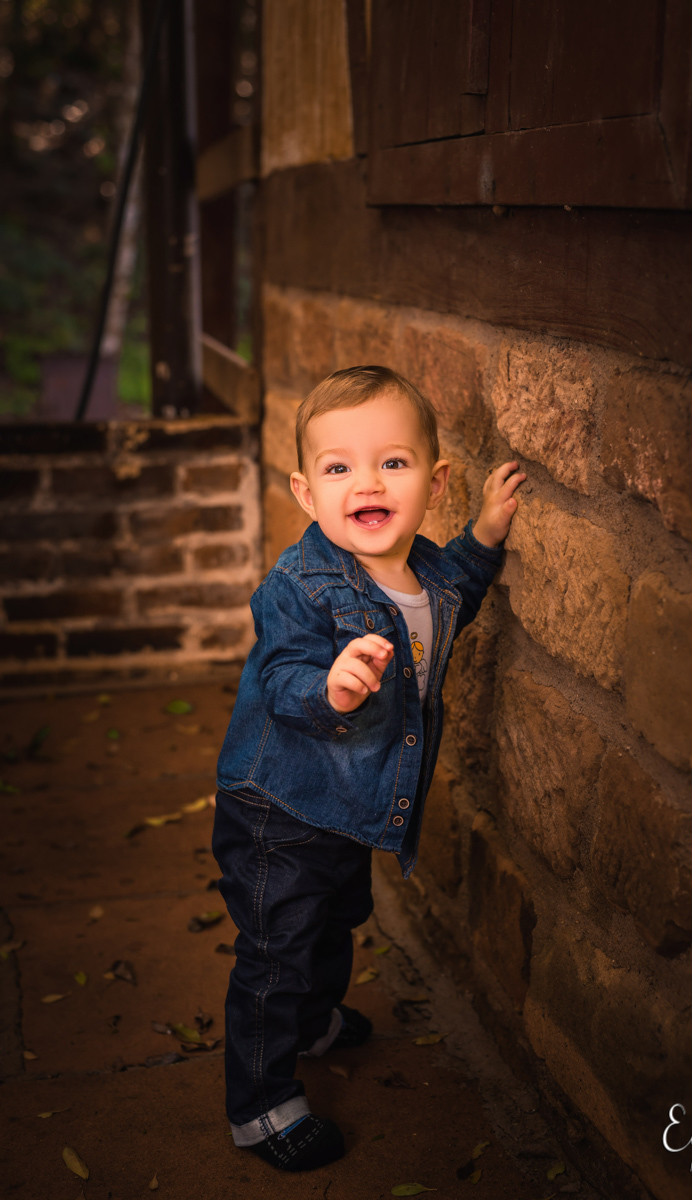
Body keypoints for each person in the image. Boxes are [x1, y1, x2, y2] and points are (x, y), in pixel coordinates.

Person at [212, 365, 526, 1173]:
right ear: (306, 493)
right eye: (338, 467)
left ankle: (312, 1020)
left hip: (346, 808)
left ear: (434, 479)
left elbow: (456, 586)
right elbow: (282, 680)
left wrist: (486, 533)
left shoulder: (423, 567)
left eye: (392, 462)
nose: (366, 482)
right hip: (276, 807)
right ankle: (261, 1104)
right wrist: (333, 686)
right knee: (276, 950)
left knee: (336, 919)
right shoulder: (298, 584)